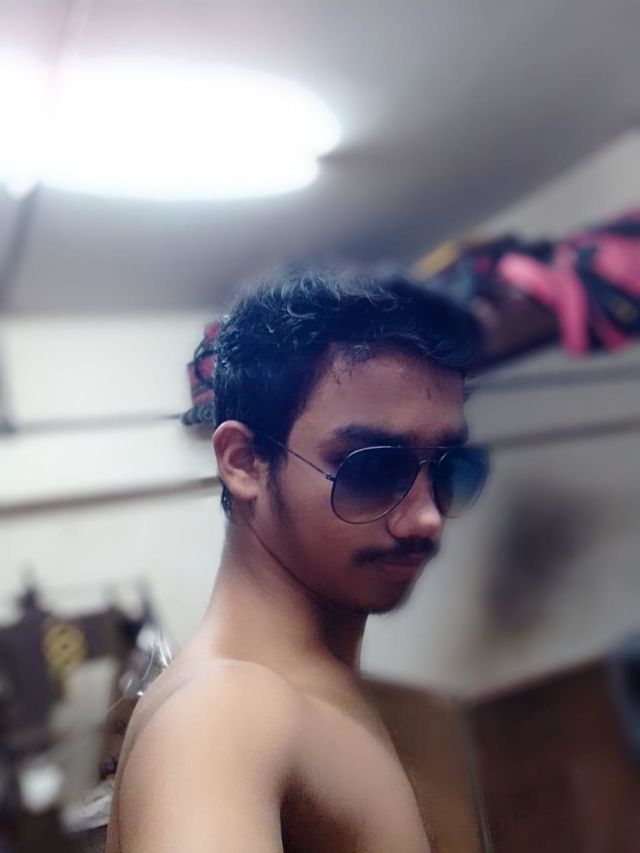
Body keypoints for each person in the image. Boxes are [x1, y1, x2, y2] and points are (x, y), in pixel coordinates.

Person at [106, 266, 489, 852]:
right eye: (371, 467)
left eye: (448, 467)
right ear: (244, 462)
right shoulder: (219, 718)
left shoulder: (393, 709)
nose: (427, 518)